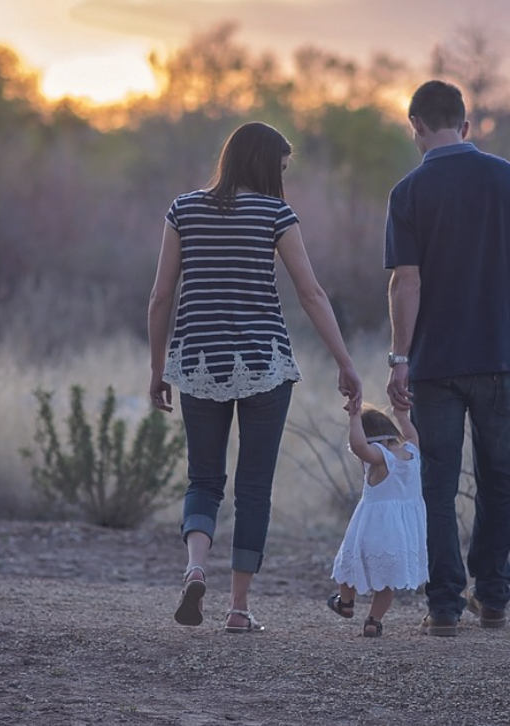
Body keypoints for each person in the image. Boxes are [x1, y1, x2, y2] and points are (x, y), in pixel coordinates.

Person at [148, 121, 361, 633]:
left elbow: (160, 297)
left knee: (204, 479)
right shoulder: (275, 214)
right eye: (282, 168)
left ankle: (196, 566)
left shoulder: (183, 209)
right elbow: (311, 294)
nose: (283, 178)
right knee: (254, 489)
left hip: (198, 363)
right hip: (265, 364)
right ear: (266, 165)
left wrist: (158, 369)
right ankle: (238, 609)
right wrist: (345, 362)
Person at [383, 80, 510, 636]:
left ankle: (443, 606)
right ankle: (493, 596)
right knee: (500, 478)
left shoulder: (408, 191)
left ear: (414, 125)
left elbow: (404, 282)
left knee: (437, 483)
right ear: (466, 125)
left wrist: (399, 357)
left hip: (435, 365)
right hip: (501, 358)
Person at [327, 403, 428, 637]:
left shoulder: (380, 457)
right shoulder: (412, 452)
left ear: (372, 438)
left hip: (373, 528)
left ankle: (346, 602)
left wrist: (354, 418)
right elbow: (412, 434)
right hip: (402, 532)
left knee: (348, 564)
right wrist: (402, 415)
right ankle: (373, 621)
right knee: (387, 580)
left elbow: (358, 445)